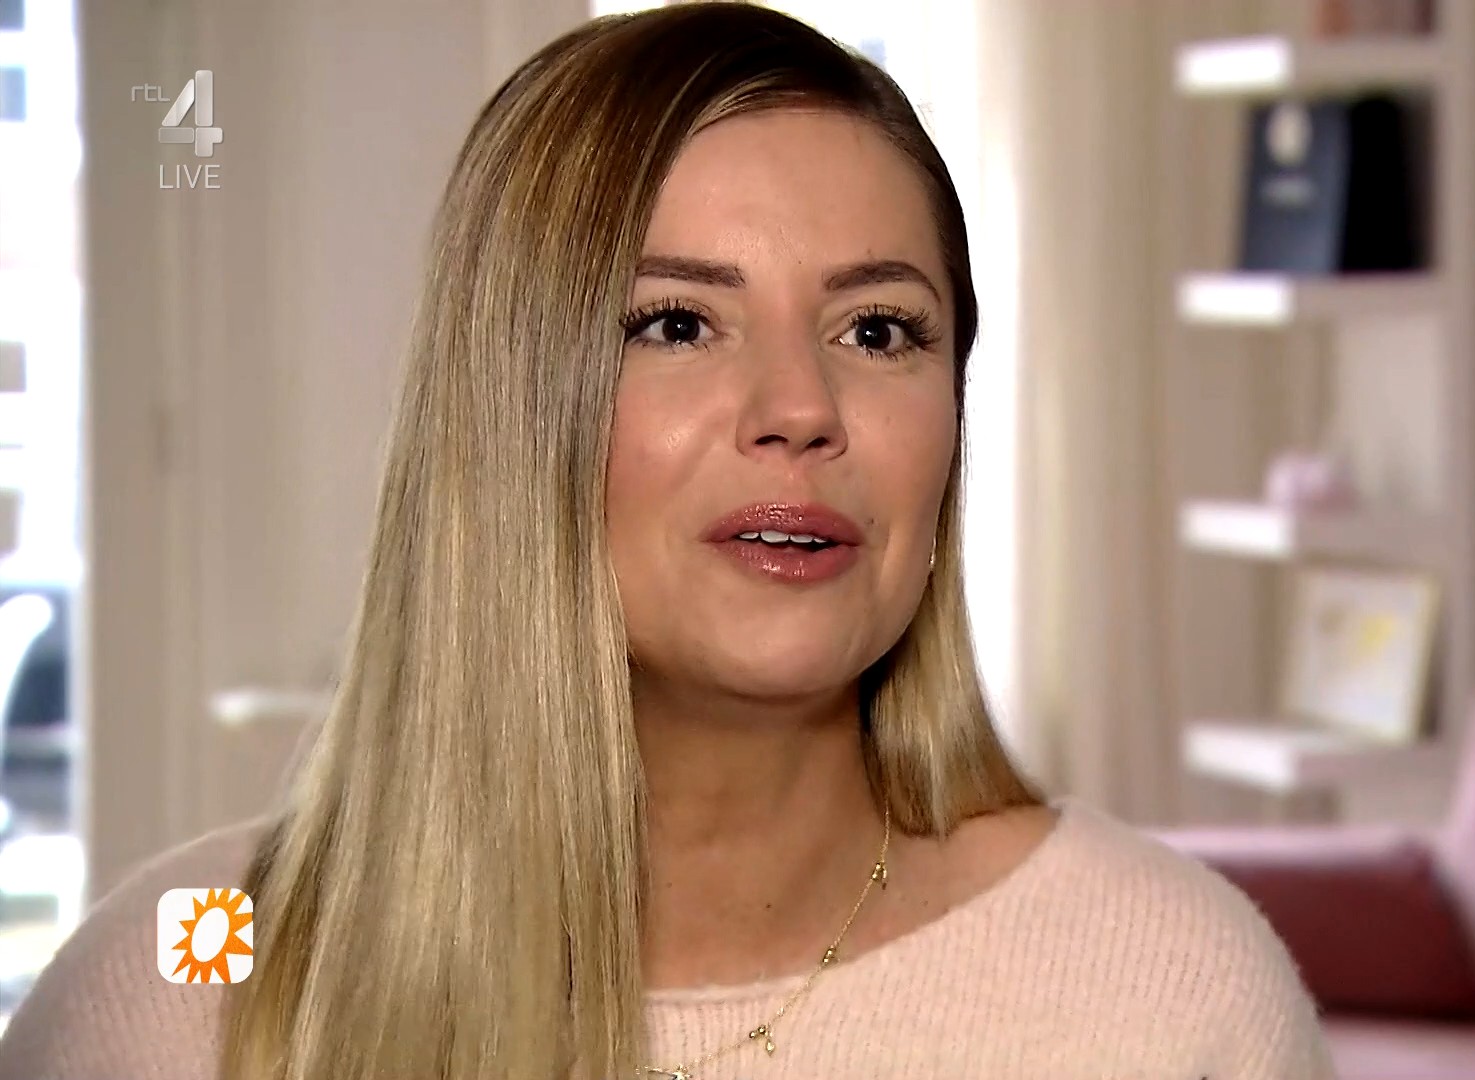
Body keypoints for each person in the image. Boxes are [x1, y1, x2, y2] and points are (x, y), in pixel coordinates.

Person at [0, 5, 1333, 1078]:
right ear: (505, 408)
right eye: (677, 324)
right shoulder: (184, 980)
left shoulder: (1169, 994)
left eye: (879, 330)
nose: (801, 407)